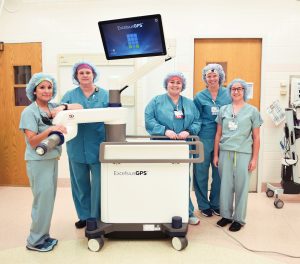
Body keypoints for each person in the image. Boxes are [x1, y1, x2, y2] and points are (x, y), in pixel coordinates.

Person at [19, 73, 68, 252]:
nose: (47, 91)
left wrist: (63, 106)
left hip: (52, 159)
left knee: (48, 201)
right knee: (42, 201)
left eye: (49, 87)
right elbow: (32, 142)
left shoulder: (53, 107)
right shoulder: (29, 112)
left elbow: (79, 107)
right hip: (38, 161)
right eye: (42, 87)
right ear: (34, 90)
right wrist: (51, 130)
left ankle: (44, 236)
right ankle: (35, 241)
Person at [144, 72, 201, 225]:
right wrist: (164, 130)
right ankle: (159, 210)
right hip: (161, 145)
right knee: (161, 178)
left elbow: (197, 121)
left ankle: (187, 213)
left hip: (183, 147)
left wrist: (188, 131)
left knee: (183, 179)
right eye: (172, 82)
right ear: (166, 84)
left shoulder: (189, 103)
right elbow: (148, 119)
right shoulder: (156, 101)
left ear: (182, 85)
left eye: (178, 82)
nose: (175, 85)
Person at [61, 61, 109, 229]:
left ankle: (96, 216)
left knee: (99, 184)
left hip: (98, 145)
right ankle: (84, 216)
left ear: (93, 74)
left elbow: (113, 118)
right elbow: (61, 117)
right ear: (76, 76)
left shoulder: (105, 95)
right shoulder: (69, 95)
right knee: (79, 183)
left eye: (87, 72)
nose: (85, 75)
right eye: (81, 73)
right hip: (76, 146)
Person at [213, 79, 263, 232]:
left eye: (239, 89)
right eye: (233, 89)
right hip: (225, 152)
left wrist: (254, 159)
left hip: (243, 153)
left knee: (241, 187)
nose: (236, 91)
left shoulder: (252, 111)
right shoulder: (224, 110)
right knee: (226, 185)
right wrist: (216, 155)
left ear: (244, 91)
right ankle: (226, 215)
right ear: (230, 92)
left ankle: (239, 219)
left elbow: (256, 137)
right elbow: (218, 134)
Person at [193, 64, 231, 217]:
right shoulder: (199, 97)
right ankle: (203, 205)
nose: (212, 78)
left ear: (220, 77)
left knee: (219, 173)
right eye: (209, 76)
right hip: (203, 138)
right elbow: (195, 117)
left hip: (223, 138)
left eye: (215, 76)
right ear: (205, 78)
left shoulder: (227, 95)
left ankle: (216, 203)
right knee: (200, 172)